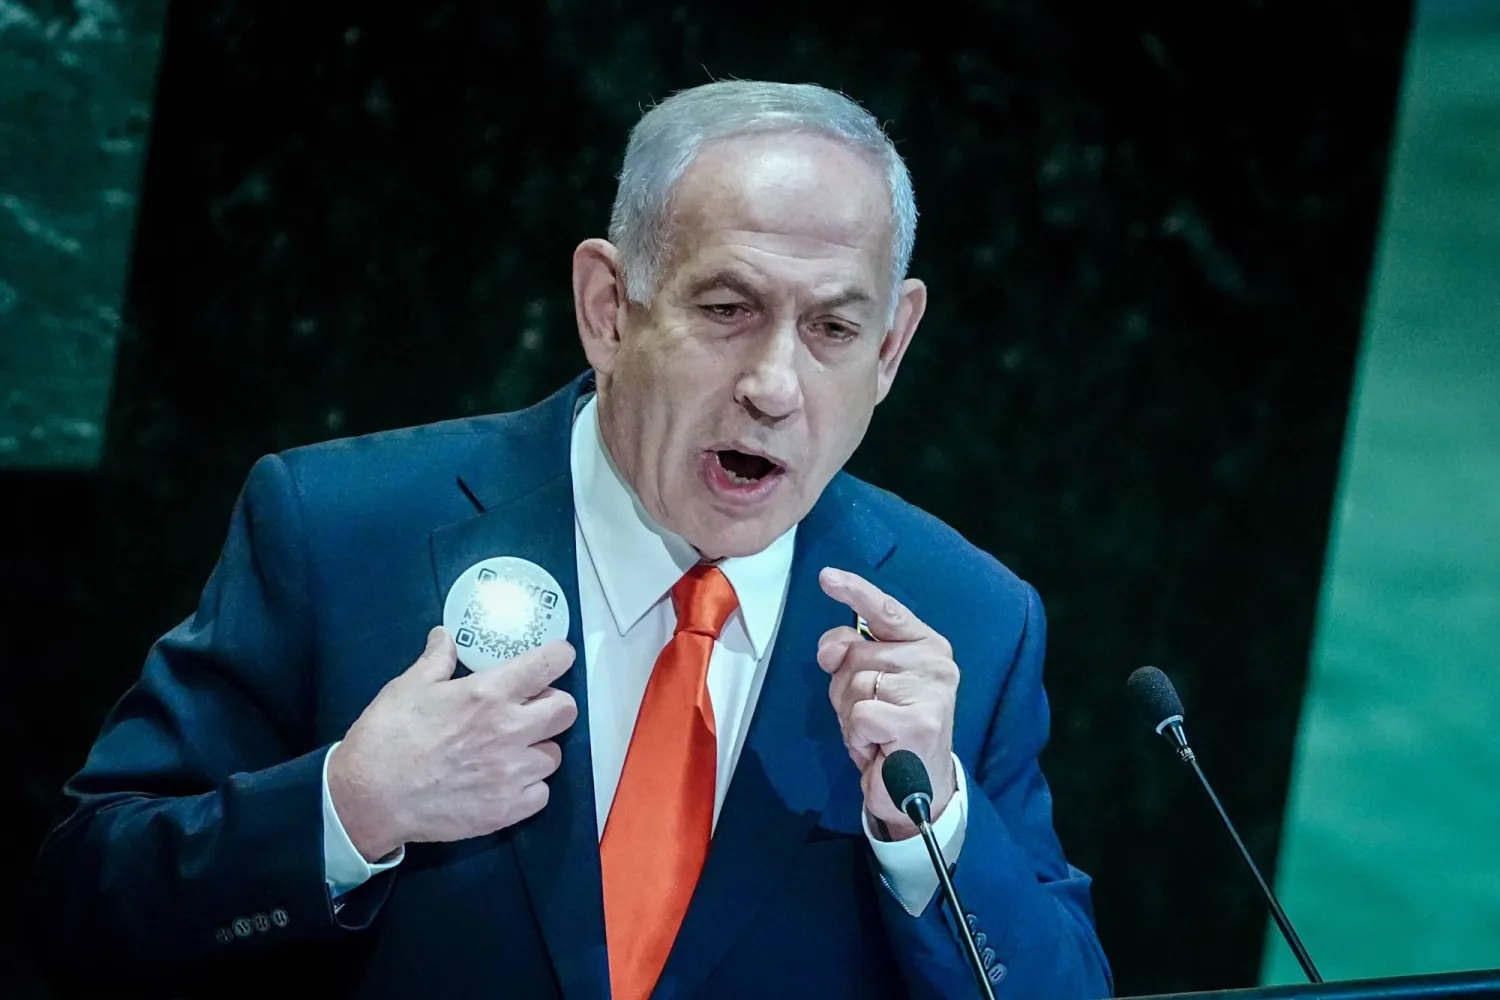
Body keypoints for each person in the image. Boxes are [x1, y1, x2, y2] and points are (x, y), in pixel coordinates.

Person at [38, 80, 1111, 999]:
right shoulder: (339, 530)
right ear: (608, 305)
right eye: (729, 307)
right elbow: (82, 903)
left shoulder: (966, 618)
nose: (776, 386)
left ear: (892, 345)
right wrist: (344, 808)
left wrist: (939, 837)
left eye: (833, 328)